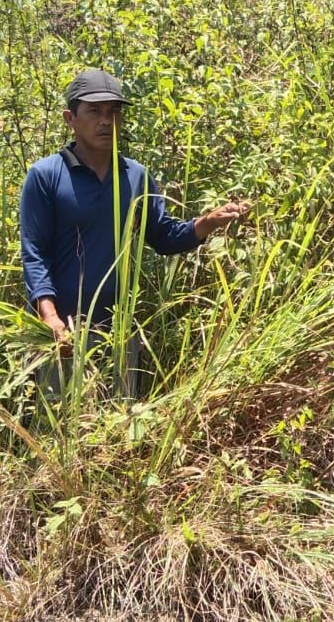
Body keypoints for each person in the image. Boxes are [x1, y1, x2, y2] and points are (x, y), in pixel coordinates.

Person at [20, 68, 250, 398]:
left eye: (114, 112)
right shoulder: (45, 176)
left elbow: (164, 237)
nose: (106, 121)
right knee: (55, 431)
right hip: (61, 334)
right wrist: (52, 320)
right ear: (70, 118)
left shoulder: (134, 175)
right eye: (95, 111)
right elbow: (35, 254)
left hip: (118, 329)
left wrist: (209, 221)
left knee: (116, 431)